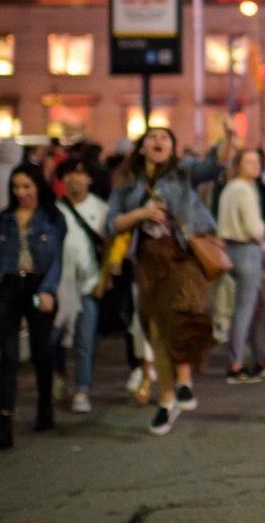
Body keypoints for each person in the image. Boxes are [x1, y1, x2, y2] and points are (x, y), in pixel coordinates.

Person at [106, 121, 234, 436]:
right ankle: (167, 400)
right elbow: (111, 224)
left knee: (181, 312)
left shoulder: (184, 170)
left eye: (165, 137)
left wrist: (229, 135)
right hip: (149, 260)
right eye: (152, 137)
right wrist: (140, 214)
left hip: (184, 255)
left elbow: (214, 164)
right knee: (156, 329)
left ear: (173, 147)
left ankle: (186, 380)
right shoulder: (126, 182)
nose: (158, 141)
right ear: (142, 146)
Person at [0, 163, 66, 449]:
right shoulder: (3, 220)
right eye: (16, 187)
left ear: (38, 187)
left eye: (27, 187)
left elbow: (57, 262)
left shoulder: (53, 219)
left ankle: (45, 408)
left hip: (39, 286)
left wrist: (47, 291)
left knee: (42, 352)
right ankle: (3, 424)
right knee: (9, 357)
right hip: (8, 289)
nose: (22, 193)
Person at [53, 157, 109, 414]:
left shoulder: (101, 209)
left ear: (90, 178)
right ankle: (58, 376)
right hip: (57, 286)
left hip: (88, 284)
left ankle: (82, 389)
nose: (75, 178)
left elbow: (109, 247)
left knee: (85, 339)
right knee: (53, 337)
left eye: (81, 173)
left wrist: (105, 278)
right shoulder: (54, 210)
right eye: (69, 174)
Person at [218, 148, 265, 384]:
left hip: (231, 248)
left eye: (257, 162)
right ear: (239, 165)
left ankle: (258, 359)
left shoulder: (231, 187)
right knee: (245, 309)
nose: (255, 166)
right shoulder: (244, 189)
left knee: (256, 307)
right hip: (246, 249)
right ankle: (236, 365)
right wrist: (262, 234)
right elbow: (253, 227)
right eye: (249, 162)